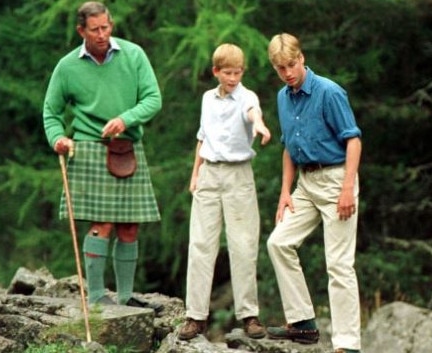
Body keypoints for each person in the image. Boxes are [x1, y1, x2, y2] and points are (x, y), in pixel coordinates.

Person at [42, 1, 162, 313]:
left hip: (128, 147)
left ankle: (125, 297)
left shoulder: (133, 55)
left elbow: (153, 99)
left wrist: (126, 119)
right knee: (103, 223)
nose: (102, 34)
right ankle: (95, 295)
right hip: (89, 148)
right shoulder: (67, 67)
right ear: (81, 30)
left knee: (130, 227)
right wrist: (58, 139)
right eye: (94, 29)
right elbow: (51, 112)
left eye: (106, 27)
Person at [264, 33, 363, 353]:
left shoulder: (329, 92)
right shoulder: (283, 97)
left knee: (338, 264)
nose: (288, 72)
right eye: (280, 68)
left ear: (302, 58)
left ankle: (348, 345)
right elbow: (288, 147)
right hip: (305, 184)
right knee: (278, 243)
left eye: (291, 64)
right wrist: (285, 191)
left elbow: (353, 140)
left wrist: (348, 188)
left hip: (337, 180)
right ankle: (303, 323)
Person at [178, 43, 272, 341]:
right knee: (200, 245)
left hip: (237, 174)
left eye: (238, 72)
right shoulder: (208, 98)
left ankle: (249, 315)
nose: (233, 78)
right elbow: (202, 138)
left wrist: (259, 125)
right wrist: (195, 174)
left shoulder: (247, 96)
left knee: (243, 245)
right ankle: (196, 316)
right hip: (209, 173)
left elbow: (252, 112)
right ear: (216, 72)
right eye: (228, 73)